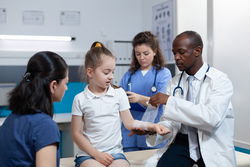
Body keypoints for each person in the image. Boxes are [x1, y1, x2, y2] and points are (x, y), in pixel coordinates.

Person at [133, 30, 236, 167]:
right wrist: (154, 129)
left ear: (197, 51)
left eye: (181, 52)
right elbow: (169, 122)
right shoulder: (174, 83)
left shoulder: (220, 80)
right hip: (182, 143)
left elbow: (211, 119)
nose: (176, 57)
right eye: (174, 53)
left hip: (211, 142)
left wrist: (169, 101)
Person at [71, 41, 169, 167]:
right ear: (90, 72)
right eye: (106, 73)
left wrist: (153, 126)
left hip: (114, 153)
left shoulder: (119, 94)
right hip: (88, 155)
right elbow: (76, 134)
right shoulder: (80, 99)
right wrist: (96, 154)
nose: (111, 76)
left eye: (113, 72)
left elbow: (129, 122)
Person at [0, 51, 69, 167]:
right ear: (53, 86)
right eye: (66, 83)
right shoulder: (45, 126)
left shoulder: (10, 120)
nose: (66, 88)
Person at [119, 31, 172, 152]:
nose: (141, 58)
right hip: (130, 130)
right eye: (138, 54)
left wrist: (139, 98)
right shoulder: (129, 75)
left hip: (154, 128)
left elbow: (161, 101)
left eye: (146, 53)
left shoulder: (163, 74)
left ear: (154, 51)